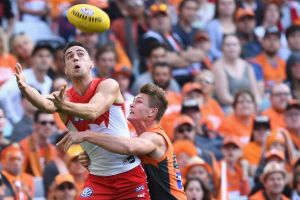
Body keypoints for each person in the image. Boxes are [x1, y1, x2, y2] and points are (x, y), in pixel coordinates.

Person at [15, 41, 150, 199]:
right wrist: (25, 88)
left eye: (80, 54)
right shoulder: (62, 97)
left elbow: (93, 111)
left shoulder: (108, 85)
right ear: (65, 69)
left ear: (91, 64)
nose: (75, 58)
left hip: (129, 175)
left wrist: (63, 106)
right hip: (98, 179)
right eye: (69, 56)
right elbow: (44, 103)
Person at [57, 83, 187, 199]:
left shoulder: (156, 137)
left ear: (152, 112)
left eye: (139, 102)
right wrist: (94, 160)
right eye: (133, 101)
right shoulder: (142, 139)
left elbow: (128, 147)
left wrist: (86, 135)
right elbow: (125, 162)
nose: (131, 104)